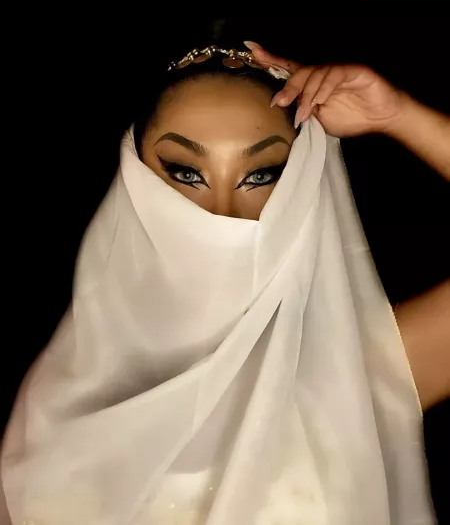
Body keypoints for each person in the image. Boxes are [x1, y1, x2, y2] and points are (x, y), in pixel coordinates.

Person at [0, 43, 448, 525]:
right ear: (135, 178)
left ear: (304, 180)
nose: (221, 214)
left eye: (260, 175)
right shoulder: (64, 395)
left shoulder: (361, 373)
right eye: (186, 173)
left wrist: (399, 115)